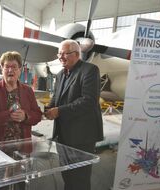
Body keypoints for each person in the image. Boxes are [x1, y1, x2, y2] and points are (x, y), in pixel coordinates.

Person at [44, 39, 103, 190]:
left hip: (82, 136)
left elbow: (88, 101)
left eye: (65, 54)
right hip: (62, 135)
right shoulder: (60, 74)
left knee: (80, 178)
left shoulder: (90, 70)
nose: (60, 57)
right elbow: (56, 97)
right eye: (59, 54)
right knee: (67, 175)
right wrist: (47, 109)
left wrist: (59, 111)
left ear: (77, 54)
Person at [0, 51, 42, 145]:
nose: (10, 70)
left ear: (19, 69)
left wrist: (25, 116)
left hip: (21, 146)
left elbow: (38, 115)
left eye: (14, 67)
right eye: (7, 66)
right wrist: (7, 115)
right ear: (2, 69)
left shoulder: (28, 91)